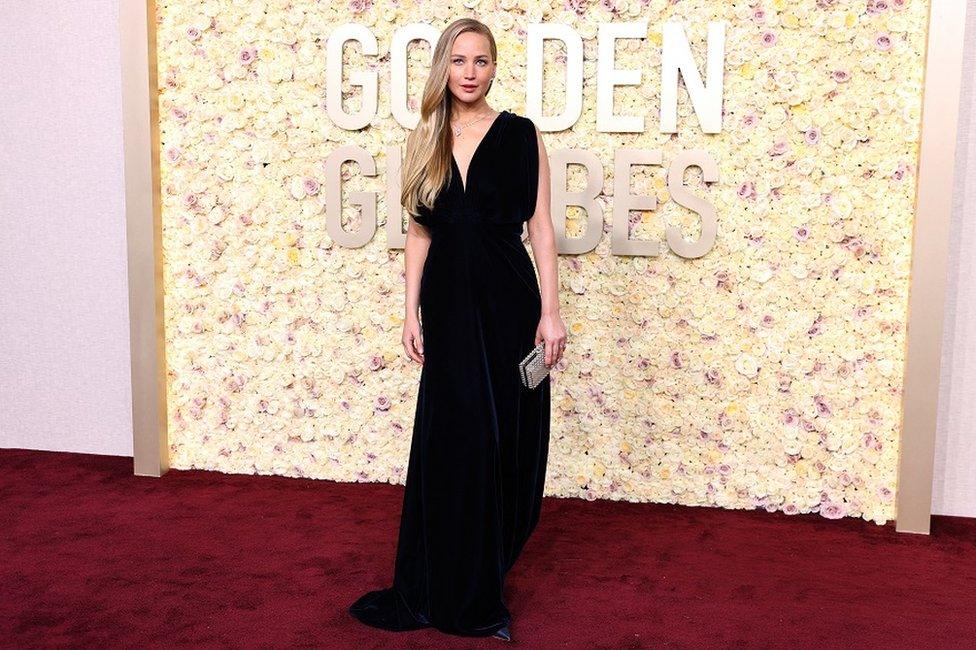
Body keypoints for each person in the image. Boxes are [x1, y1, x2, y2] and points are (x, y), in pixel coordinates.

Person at [348, 17, 567, 642]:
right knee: (455, 442)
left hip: (507, 302)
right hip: (446, 304)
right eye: (459, 61)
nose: (470, 73)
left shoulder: (523, 136)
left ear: (495, 67)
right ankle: (452, 587)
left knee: (504, 441)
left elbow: (541, 229)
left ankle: (483, 575)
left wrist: (550, 310)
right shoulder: (425, 139)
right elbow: (419, 234)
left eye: (482, 61)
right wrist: (409, 310)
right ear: (444, 67)